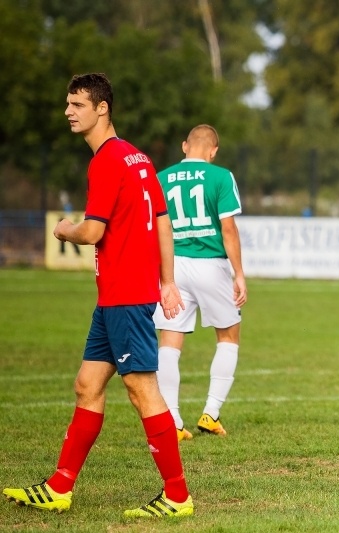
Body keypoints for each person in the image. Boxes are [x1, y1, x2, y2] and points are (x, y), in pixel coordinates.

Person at [2, 73, 193, 518]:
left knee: (142, 389)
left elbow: (92, 231)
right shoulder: (138, 158)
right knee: (87, 386)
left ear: (102, 108)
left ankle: (178, 495)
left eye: (78, 104)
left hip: (126, 296)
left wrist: (64, 229)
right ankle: (59, 488)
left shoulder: (106, 160)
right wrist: (166, 282)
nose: (68, 111)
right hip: (116, 298)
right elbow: (163, 222)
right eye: (68, 104)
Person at [153, 124, 247, 441]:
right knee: (228, 336)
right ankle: (211, 413)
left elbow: (156, 227)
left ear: (185, 146)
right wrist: (239, 273)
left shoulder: (162, 178)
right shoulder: (221, 176)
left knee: (169, 341)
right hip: (211, 265)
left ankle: (172, 420)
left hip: (173, 266)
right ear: (213, 150)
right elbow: (228, 229)